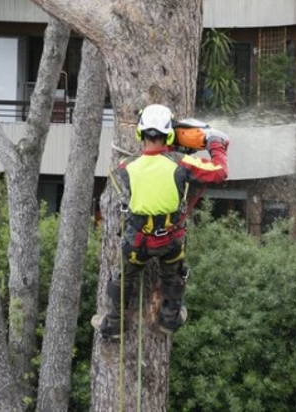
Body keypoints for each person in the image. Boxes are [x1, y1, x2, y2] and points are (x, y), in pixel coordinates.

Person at [98, 104, 229, 338]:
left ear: (140, 133)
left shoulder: (124, 168)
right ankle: (169, 320)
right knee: (173, 275)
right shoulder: (181, 164)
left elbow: (151, 171)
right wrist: (216, 143)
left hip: (137, 241)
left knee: (123, 277)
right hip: (169, 241)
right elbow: (219, 171)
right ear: (169, 133)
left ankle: (114, 324)